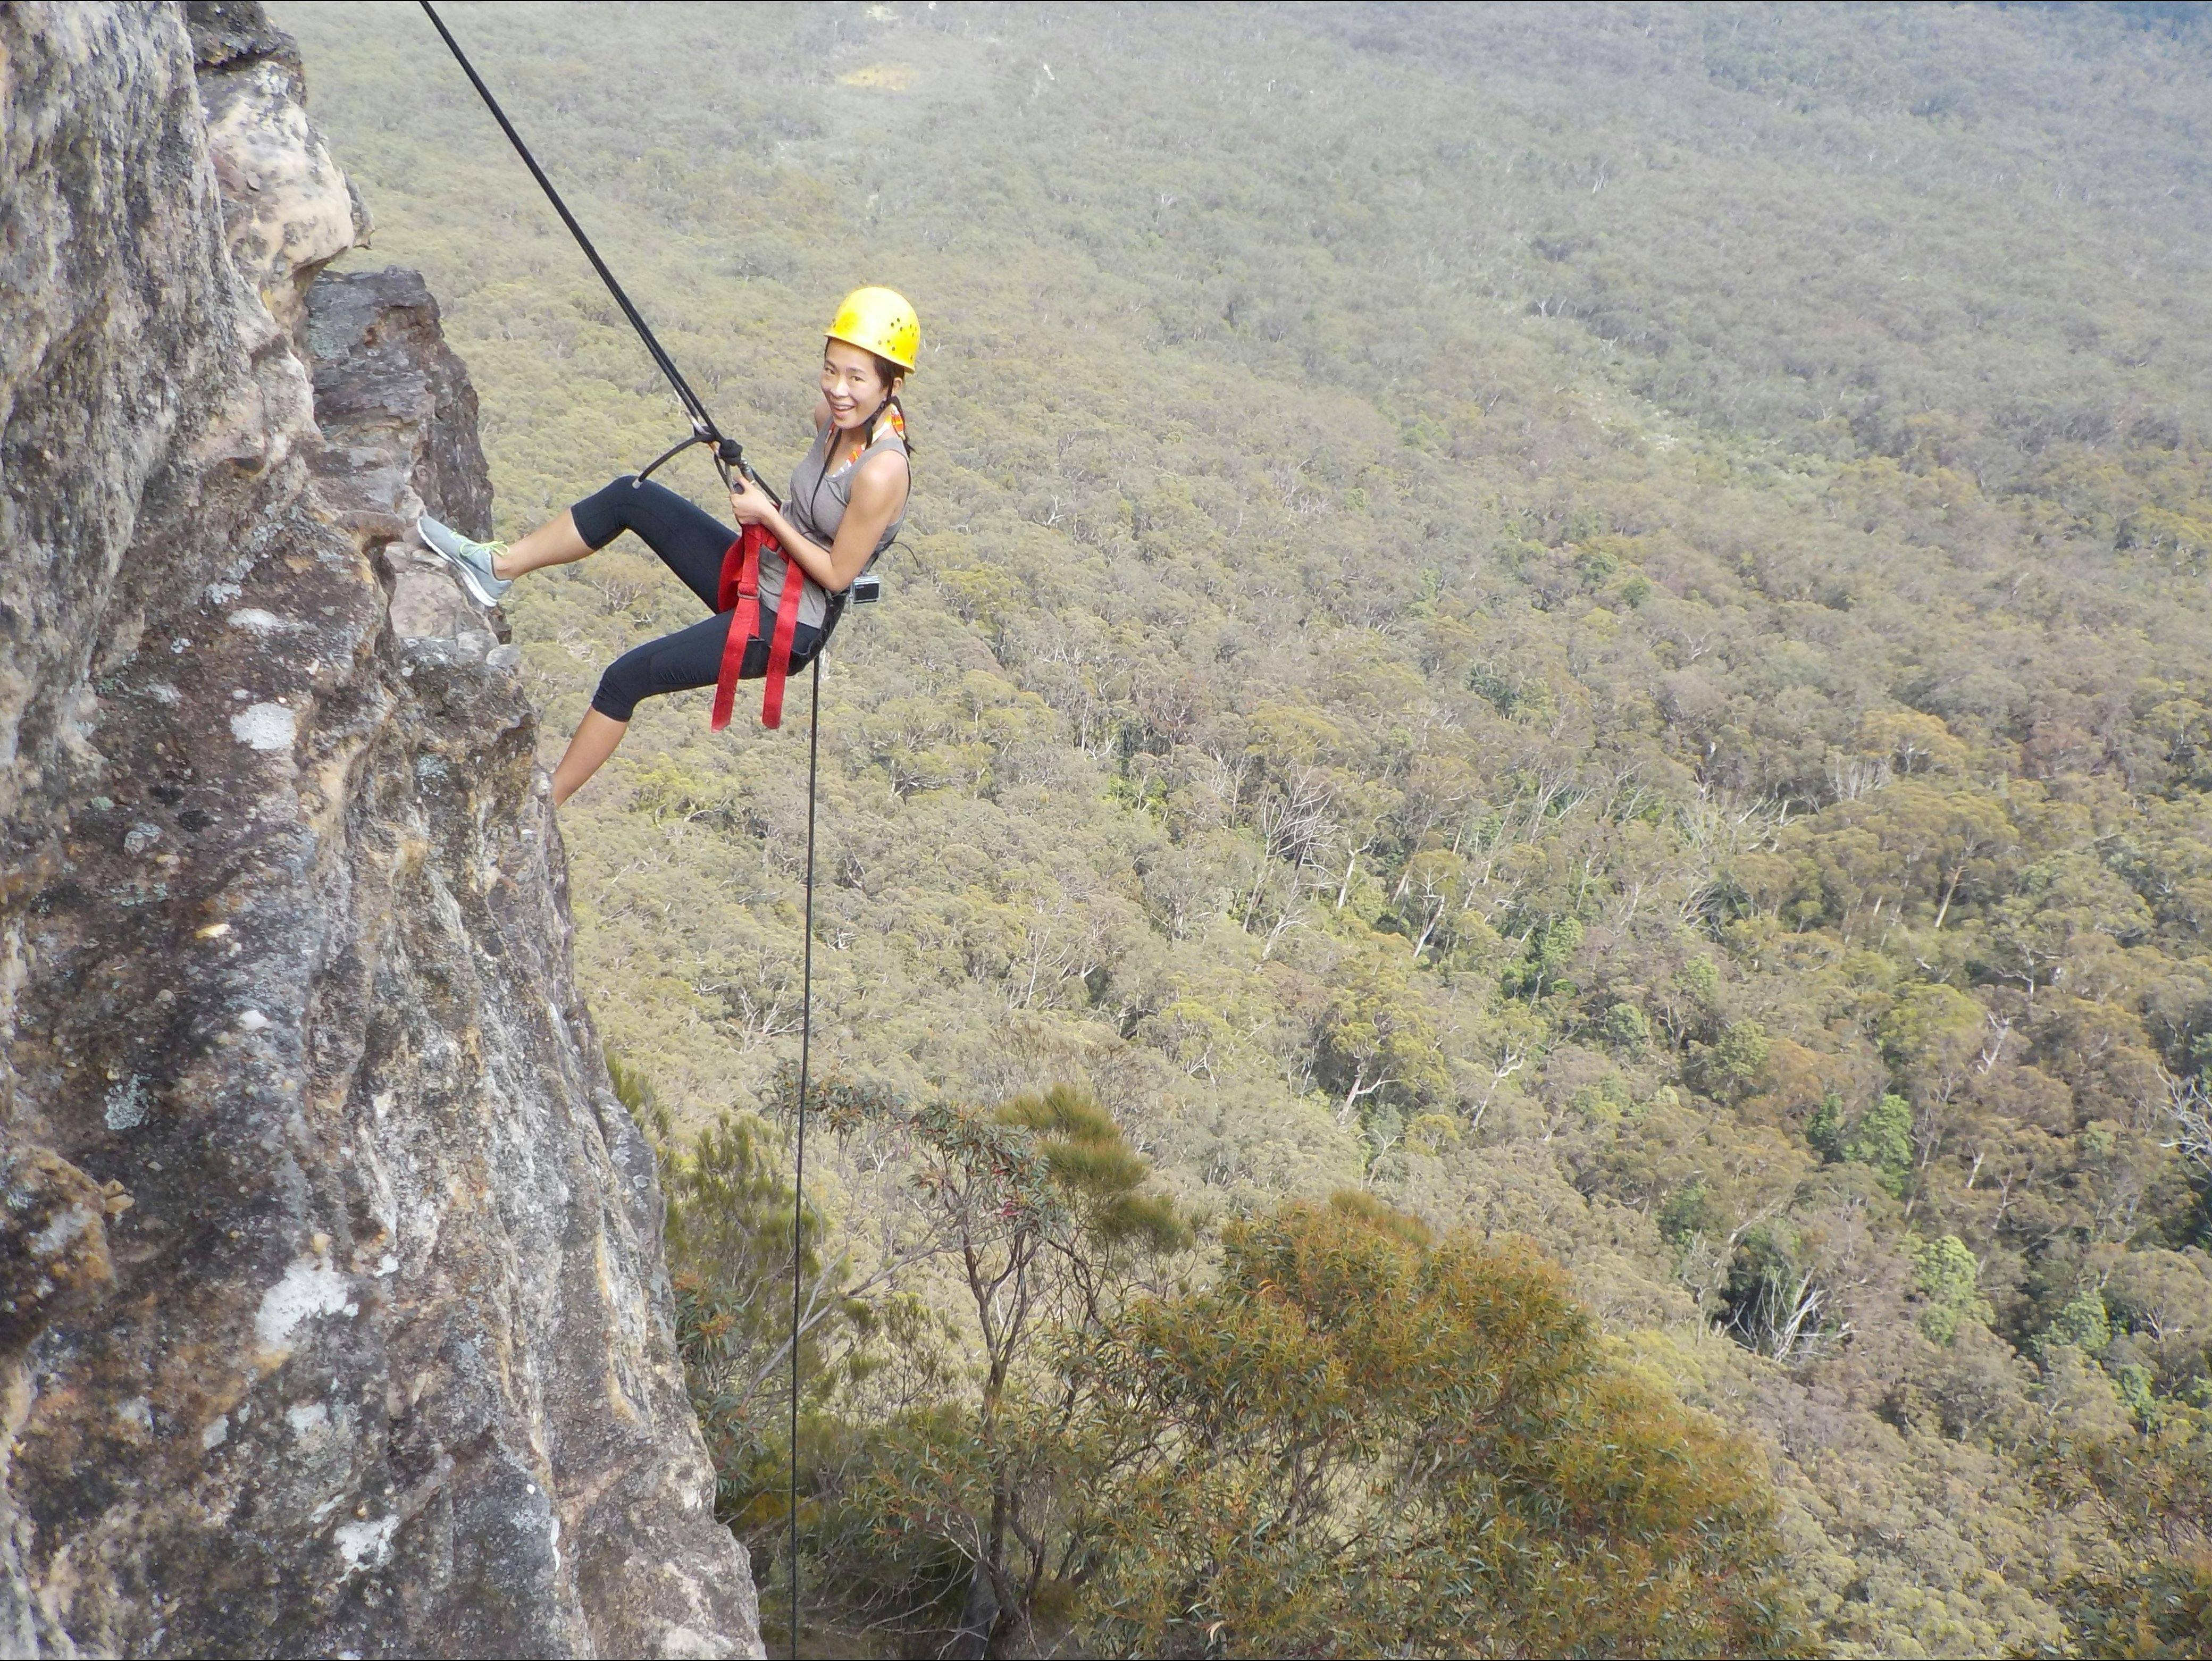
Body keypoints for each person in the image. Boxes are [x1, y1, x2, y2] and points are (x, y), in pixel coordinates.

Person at [418, 287, 918, 803]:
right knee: (629, 498)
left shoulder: (883, 471)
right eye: (831, 370)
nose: (839, 389)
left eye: (857, 377)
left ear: (890, 385)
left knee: (623, 678)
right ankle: (496, 567)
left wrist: (767, 514)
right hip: (757, 571)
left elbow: (837, 574)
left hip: (786, 626)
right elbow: (809, 511)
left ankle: (542, 805)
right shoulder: (831, 422)